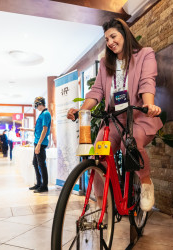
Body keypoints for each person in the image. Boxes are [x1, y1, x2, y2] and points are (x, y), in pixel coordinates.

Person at [67, 18, 162, 212]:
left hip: (137, 116)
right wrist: (82, 109)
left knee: (131, 140)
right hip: (114, 119)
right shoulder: (105, 63)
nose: (110, 42)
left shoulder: (145, 54)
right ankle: (104, 205)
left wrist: (149, 104)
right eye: (106, 39)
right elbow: (97, 91)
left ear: (124, 34)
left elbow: (147, 82)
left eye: (113, 36)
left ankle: (145, 183)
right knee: (99, 151)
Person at [27, 96, 52, 193]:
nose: (36, 107)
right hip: (37, 142)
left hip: (40, 143)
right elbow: (38, 129)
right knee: (35, 163)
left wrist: (39, 144)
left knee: (41, 164)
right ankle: (38, 184)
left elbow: (45, 130)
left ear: (39, 104)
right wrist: (26, 129)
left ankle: (44, 186)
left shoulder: (45, 113)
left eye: (36, 105)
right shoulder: (42, 114)